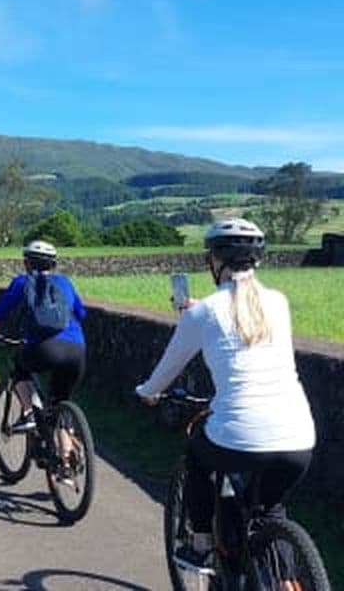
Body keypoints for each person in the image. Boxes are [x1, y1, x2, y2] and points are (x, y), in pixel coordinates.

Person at [134, 218, 315, 572]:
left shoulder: (202, 313)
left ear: (215, 260)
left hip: (238, 437)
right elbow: (244, 318)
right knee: (270, 511)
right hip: (299, 439)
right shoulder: (278, 302)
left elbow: (165, 372)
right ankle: (285, 578)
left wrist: (146, 393)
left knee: (197, 457)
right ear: (256, 259)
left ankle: (200, 544)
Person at [0, 240, 88, 482]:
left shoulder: (22, 282)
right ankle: (65, 463)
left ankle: (27, 414)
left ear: (26, 262)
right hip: (77, 350)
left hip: (45, 349)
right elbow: (81, 313)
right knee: (60, 404)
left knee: (19, 366)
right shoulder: (65, 283)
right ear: (53, 264)